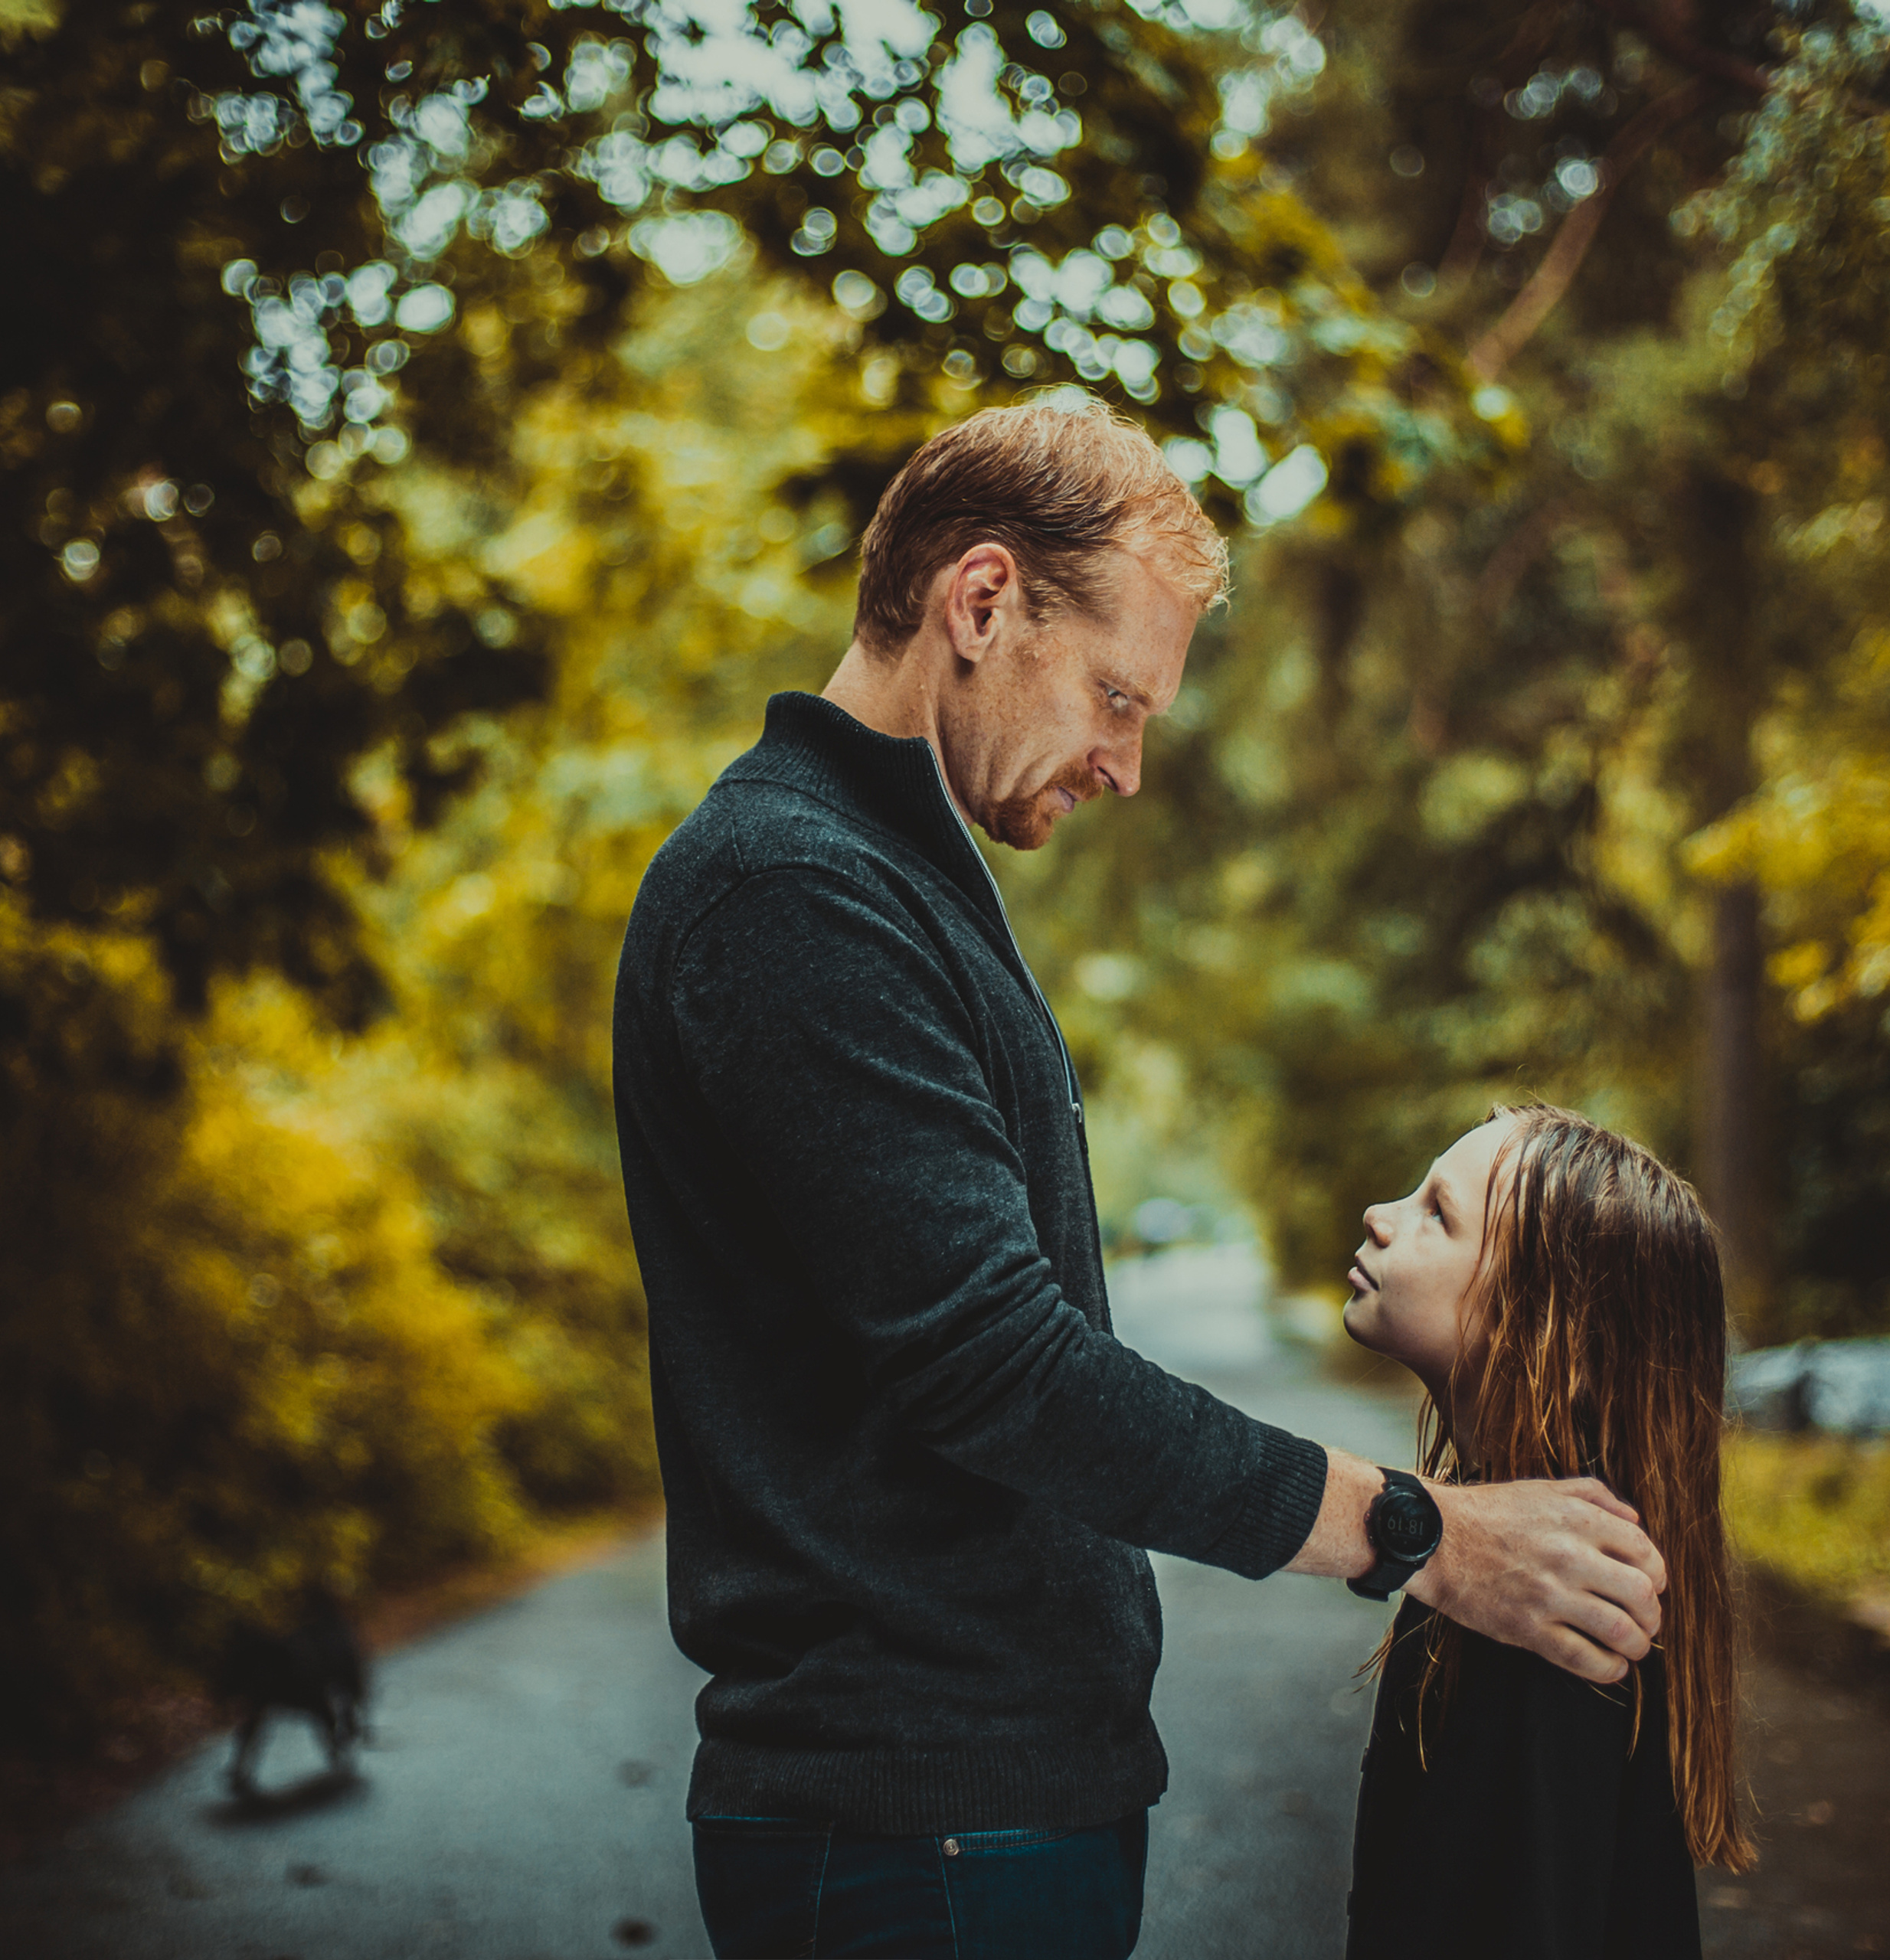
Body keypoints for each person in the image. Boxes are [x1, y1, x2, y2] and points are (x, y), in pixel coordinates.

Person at [611, 400, 1668, 1960]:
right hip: (917, 1829)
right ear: (979, 602)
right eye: (1115, 696)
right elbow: (998, 1365)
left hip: (974, 1816)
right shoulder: (794, 893)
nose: (1120, 764)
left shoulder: (886, 878)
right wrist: (1427, 1531)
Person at [1342, 1104, 1755, 1959]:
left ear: (1532, 1318)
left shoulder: (1556, 1602)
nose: (1380, 1217)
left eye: (1436, 1213)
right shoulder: (1489, 1544)